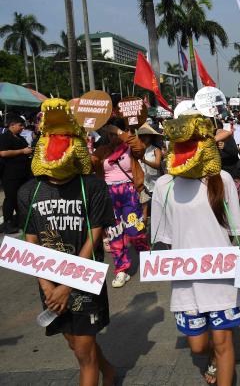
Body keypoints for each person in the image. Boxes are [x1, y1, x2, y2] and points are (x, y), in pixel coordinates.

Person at [18, 98, 115, 386]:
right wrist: (48, 285)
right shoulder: (29, 192)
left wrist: (67, 286)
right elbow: (30, 241)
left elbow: (94, 236)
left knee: (84, 352)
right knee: (74, 343)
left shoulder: (93, 187)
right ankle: (108, 370)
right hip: (48, 282)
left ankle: (101, 373)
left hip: (84, 279)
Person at [152, 112, 240, 385]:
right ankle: (213, 358)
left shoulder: (223, 179)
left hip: (222, 281)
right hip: (186, 283)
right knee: (198, 346)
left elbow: (237, 233)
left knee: (223, 342)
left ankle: (221, 359)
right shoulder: (163, 185)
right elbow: (162, 238)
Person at [91, 118, 148, 288]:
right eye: (109, 134)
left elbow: (140, 148)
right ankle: (121, 269)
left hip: (129, 192)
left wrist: (121, 132)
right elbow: (89, 165)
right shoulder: (102, 150)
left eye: (114, 133)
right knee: (114, 233)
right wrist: (87, 147)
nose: (112, 137)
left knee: (135, 230)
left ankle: (146, 260)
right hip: (109, 193)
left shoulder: (131, 148)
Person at [0, 115, 32, 233]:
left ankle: (20, 220)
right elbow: (3, 153)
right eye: (20, 125)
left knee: (21, 198)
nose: (22, 127)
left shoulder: (19, 137)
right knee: (11, 199)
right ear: (12, 125)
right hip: (10, 175)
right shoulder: (5, 137)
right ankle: (7, 222)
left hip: (22, 174)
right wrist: (22, 151)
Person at [137, 122, 163, 223]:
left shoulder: (156, 150)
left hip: (155, 186)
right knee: (144, 215)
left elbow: (157, 165)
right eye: (141, 136)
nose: (143, 138)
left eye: (146, 136)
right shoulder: (137, 150)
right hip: (142, 186)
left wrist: (144, 161)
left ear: (151, 137)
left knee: (156, 213)